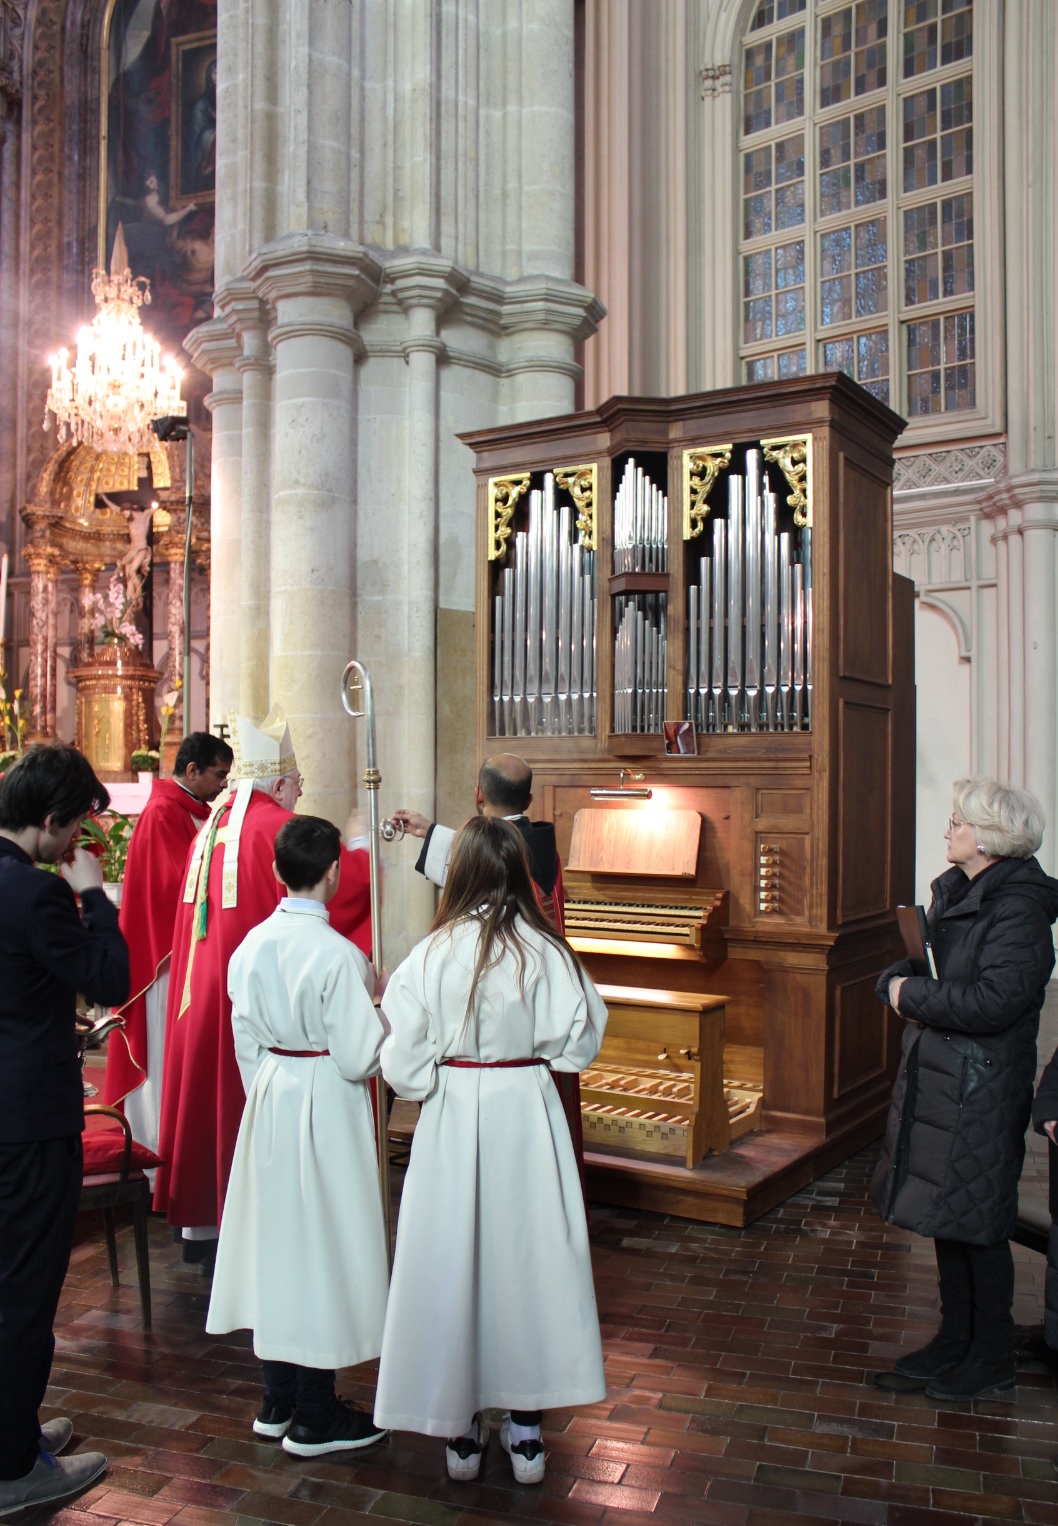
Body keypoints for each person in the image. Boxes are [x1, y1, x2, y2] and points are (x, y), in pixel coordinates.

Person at [373, 817, 607, 1486]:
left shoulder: (430, 954)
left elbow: (404, 1065)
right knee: (526, 1265)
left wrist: (433, 1079)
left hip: (452, 1114)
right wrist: (535, 1061)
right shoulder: (548, 950)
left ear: (462, 872)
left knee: (456, 1262)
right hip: (526, 1111)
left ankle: (463, 1424)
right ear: (516, 874)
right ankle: (527, 1426)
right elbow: (581, 1041)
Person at [154, 706, 371, 1248]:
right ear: (276, 782)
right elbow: (341, 892)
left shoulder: (213, 826)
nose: (300, 790)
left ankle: (205, 1226)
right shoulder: (280, 828)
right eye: (297, 781)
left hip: (202, 1002)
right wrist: (364, 846)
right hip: (261, 1018)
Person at [206, 815, 388, 1458]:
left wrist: (270, 1093)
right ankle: (314, 1416)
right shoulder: (340, 955)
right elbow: (360, 1058)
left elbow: (244, 1040)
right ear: (335, 873)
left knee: (277, 1244)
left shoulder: (251, 945)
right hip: (326, 1103)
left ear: (276, 871)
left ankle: (276, 1400)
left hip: (273, 1096)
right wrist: (380, 1012)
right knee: (322, 1250)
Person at [872, 778, 1058, 1401]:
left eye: (960, 820)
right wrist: (899, 980)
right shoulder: (960, 891)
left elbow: (995, 1001)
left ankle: (990, 1357)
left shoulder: (1019, 907)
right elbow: (927, 967)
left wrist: (909, 995)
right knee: (949, 1218)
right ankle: (956, 1341)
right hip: (947, 1079)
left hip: (982, 1086)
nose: (948, 828)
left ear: (992, 837)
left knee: (979, 1222)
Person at [0, 745, 129, 1514]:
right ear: (50, 821)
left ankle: (9, 1431)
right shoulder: (37, 895)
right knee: (24, 1294)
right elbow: (110, 978)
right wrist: (94, 896)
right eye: (77, 823)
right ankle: (16, 1467)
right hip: (28, 1123)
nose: (79, 838)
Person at [393, 753, 585, 1170]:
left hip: (473, 1075)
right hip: (532, 1064)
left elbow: (477, 865)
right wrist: (430, 832)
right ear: (529, 799)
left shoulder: (496, 857)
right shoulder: (536, 843)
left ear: (478, 794)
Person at [103, 731, 233, 1158]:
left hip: (184, 957)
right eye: (218, 775)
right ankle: (156, 1152)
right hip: (163, 964)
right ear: (191, 770)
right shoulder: (163, 812)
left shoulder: (191, 810)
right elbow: (182, 885)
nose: (222, 785)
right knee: (160, 1055)